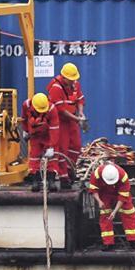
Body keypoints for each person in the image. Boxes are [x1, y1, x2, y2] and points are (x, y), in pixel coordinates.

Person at [46, 62, 85, 190]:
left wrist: (80, 113)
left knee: (76, 146)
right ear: (64, 78)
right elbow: (61, 110)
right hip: (60, 121)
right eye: (71, 79)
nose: (74, 81)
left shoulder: (75, 84)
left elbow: (79, 99)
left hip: (72, 119)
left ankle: (70, 170)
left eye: (75, 79)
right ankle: (63, 177)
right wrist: (77, 118)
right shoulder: (56, 88)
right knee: (62, 148)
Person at [88, 162, 135, 250]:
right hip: (105, 193)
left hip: (119, 192)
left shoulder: (123, 176)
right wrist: (99, 201)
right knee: (105, 215)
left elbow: (123, 197)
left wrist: (115, 211)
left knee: (129, 212)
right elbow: (93, 189)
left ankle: (133, 240)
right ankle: (108, 243)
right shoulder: (97, 174)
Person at [21, 92, 60, 192]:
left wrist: (52, 146)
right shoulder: (26, 105)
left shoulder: (51, 109)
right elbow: (24, 119)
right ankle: (35, 181)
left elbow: (54, 128)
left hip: (48, 136)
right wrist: (25, 130)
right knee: (34, 158)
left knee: (52, 159)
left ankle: (51, 181)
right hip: (35, 136)